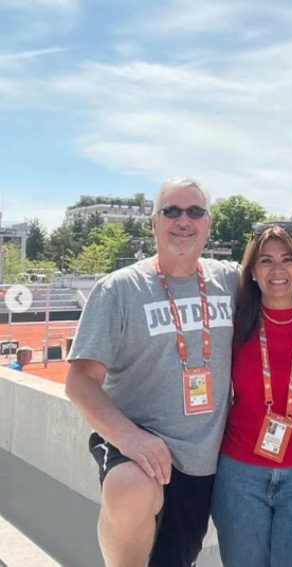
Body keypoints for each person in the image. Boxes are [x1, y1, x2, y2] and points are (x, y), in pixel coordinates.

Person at [65, 177, 240, 567]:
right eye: (171, 211)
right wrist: (131, 438)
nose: (183, 220)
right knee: (129, 489)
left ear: (208, 224)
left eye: (195, 212)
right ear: (154, 222)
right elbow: (79, 381)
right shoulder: (119, 290)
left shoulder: (229, 280)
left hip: (204, 459)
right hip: (141, 446)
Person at [211, 223, 292, 567]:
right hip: (239, 475)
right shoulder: (234, 323)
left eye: (287, 259)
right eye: (266, 261)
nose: (278, 270)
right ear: (253, 272)